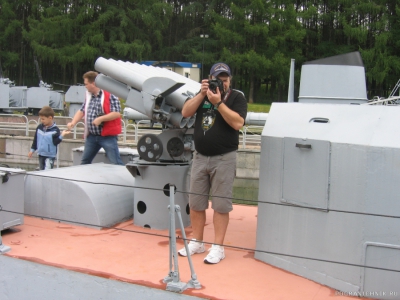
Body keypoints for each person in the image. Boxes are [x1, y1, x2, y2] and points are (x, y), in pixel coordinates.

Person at [178, 63, 247, 264]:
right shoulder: (202, 95)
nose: (222, 83)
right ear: (210, 78)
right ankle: (197, 241)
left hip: (224, 158)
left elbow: (237, 123)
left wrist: (218, 103)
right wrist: (202, 94)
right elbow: (185, 112)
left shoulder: (237, 97)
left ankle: (218, 247)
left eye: (225, 80)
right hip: (200, 157)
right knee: (196, 203)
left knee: (220, 204)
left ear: (230, 80)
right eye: (218, 79)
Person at [67, 71, 123, 165]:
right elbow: (82, 110)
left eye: (86, 84)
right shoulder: (89, 95)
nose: (85, 86)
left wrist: (100, 119)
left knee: (115, 162)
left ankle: (123, 178)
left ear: (93, 83)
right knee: (85, 161)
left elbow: (116, 113)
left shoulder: (110, 94)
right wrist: (73, 122)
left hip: (107, 136)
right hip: (92, 136)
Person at [28, 106, 70, 170]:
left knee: (47, 171)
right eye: (41, 119)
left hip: (50, 155)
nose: (41, 121)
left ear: (50, 118)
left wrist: (61, 135)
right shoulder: (39, 127)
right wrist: (32, 150)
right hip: (41, 154)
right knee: (41, 171)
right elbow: (36, 140)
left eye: (43, 119)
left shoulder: (55, 130)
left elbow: (56, 142)